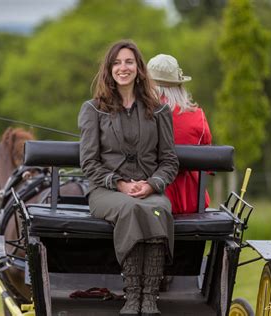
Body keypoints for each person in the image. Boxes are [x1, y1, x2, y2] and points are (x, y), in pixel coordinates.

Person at [78, 40, 179, 316]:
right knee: (131, 208)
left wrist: (152, 184)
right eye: (117, 63)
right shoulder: (93, 110)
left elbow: (169, 160)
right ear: (109, 69)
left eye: (129, 62)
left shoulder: (159, 110)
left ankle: (150, 298)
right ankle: (133, 296)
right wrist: (120, 183)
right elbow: (88, 162)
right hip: (106, 191)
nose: (123, 68)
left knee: (158, 208)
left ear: (139, 68)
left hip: (150, 189)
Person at [147, 54, 212, 214]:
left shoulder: (141, 114)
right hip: (191, 203)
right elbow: (208, 164)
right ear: (179, 86)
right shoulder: (198, 116)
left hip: (150, 197)